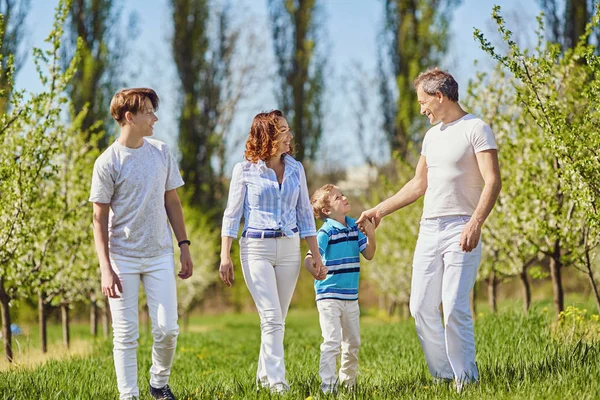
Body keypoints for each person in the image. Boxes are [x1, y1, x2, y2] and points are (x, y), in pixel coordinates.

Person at [358, 68, 501, 390]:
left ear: (440, 96)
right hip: (429, 229)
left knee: (453, 306)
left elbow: (493, 181)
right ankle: (444, 374)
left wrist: (476, 223)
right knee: (420, 306)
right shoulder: (432, 136)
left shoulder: (476, 129)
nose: (422, 109)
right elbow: (418, 183)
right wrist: (379, 210)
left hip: (461, 227)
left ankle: (466, 380)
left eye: (424, 101)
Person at [90, 88, 193, 400]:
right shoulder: (108, 162)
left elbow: (172, 201)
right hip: (122, 258)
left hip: (160, 253)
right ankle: (128, 395)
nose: (155, 118)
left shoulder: (161, 152)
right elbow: (98, 219)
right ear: (129, 117)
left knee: (168, 330)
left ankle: (158, 383)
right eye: (149, 112)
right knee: (125, 334)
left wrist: (184, 245)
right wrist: (106, 269)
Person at [219, 110, 327, 394]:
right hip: (256, 248)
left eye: (289, 130)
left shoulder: (296, 169)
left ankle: (263, 380)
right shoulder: (244, 170)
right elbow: (231, 215)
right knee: (270, 317)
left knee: (277, 320)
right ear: (267, 136)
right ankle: (279, 384)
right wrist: (224, 255)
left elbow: (305, 212)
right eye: (283, 131)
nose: (290, 136)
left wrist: (315, 254)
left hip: (290, 248)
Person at [304, 184, 376, 394]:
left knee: (353, 342)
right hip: (328, 296)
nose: (344, 198)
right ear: (327, 211)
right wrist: (314, 269)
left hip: (351, 297)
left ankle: (349, 384)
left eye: (342, 194)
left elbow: (369, 254)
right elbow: (309, 259)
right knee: (332, 340)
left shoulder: (355, 227)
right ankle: (328, 386)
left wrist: (371, 235)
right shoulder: (325, 232)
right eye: (337, 197)